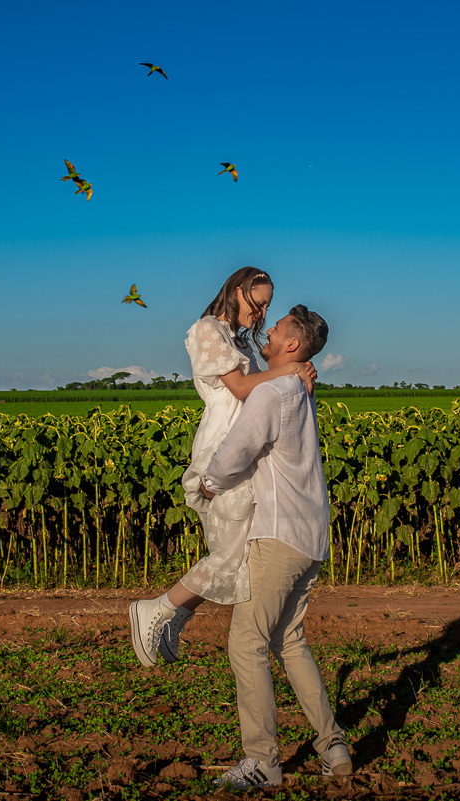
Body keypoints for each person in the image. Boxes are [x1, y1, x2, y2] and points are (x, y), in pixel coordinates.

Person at [129, 267, 316, 668]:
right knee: (231, 557)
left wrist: (296, 368)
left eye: (267, 305)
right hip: (223, 447)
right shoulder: (207, 330)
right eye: (258, 301)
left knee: (240, 560)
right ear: (237, 291)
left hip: (246, 449)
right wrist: (292, 368)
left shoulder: (239, 342)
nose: (263, 311)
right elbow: (241, 389)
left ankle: (174, 613)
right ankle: (157, 610)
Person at [198, 304, 352, 789]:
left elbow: (236, 452)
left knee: (247, 643)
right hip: (312, 539)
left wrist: (208, 483)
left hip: (278, 536)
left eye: (278, 326)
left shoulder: (273, 392)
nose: (268, 330)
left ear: (291, 345)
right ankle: (333, 746)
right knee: (290, 640)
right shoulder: (299, 391)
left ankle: (263, 761)